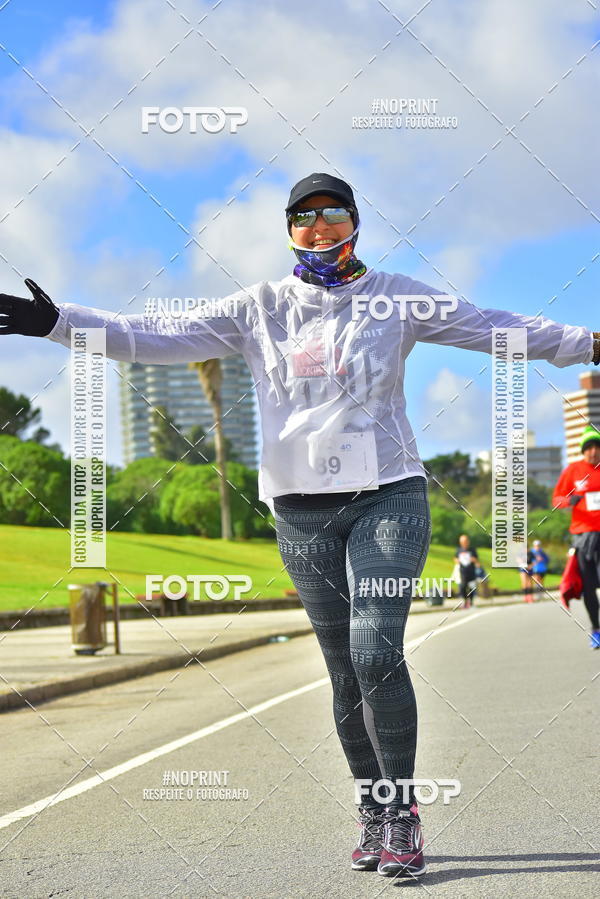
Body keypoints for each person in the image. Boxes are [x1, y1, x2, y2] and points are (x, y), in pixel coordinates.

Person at [2, 172, 599, 880]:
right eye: (303, 217)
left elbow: (496, 327)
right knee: (343, 668)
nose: (319, 226)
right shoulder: (259, 307)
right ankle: (372, 806)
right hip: (299, 508)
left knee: (375, 651)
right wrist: (59, 323)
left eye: (333, 213)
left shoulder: (399, 296)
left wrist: (588, 344)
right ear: (289, 230)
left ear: (355, 223)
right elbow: (155, 335)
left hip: (387, 493)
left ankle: (402, 812)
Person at [552, 426, 600, 649]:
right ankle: (596, 629)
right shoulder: (573, 470)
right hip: (583, 536)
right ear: (583, 451)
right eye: (588, 448)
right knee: (589, 587)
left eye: (597, 447)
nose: (593, 451)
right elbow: (556, 500)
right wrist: (570, 500)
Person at [453, 535, 479, 609]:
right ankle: (465, 601)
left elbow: (476, 559)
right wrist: (457, 560)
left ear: (468, 542)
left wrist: (473, 559)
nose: (464, 543)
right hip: (463, 572)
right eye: (462, 542)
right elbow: (455, 558)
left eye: (465, 542)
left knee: (471, 587)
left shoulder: (472, 550)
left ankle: (471, 603)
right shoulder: (459, 550)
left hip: (471, 572)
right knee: (463, 587)